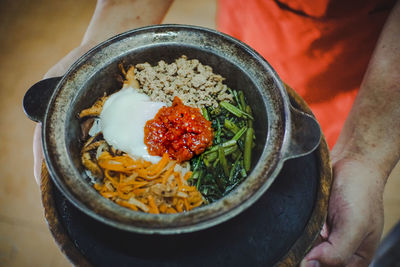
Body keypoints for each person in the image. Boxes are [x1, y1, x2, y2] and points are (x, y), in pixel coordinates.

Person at [32, 0, 400, 266]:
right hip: (256, 21)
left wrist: (365, 152)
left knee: (322, 132)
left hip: (365, 60)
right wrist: (97, 48)